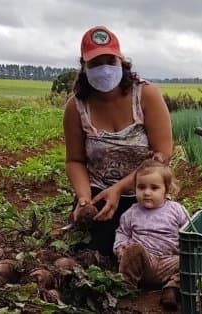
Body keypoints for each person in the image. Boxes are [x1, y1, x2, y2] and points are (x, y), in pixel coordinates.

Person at [63, 25, 173, 256]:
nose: (104, 69)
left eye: (109, 61)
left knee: (156, 244)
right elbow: (74, 160)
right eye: (95, 63)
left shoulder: (146, 95)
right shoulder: (76, 107)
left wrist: (120, 188)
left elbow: (163, 154)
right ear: (84, 67)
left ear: (121, 61)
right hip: (99, 194)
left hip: (144, 190)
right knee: (95, 252)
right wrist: (84, 200)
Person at [114, 159, 188, 311]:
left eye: (154, 188)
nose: (147, 192)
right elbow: (122, 233)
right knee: (133, 250)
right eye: (141, 187)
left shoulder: (176, 210)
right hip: (144, 265)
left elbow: (189, 231)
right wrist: (121, 248)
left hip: (170, 263)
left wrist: (185, 249)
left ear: (166, 191)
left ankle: (172, 288)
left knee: (190, 259)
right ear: (135, 189)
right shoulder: (131, 214)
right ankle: (126, 291)